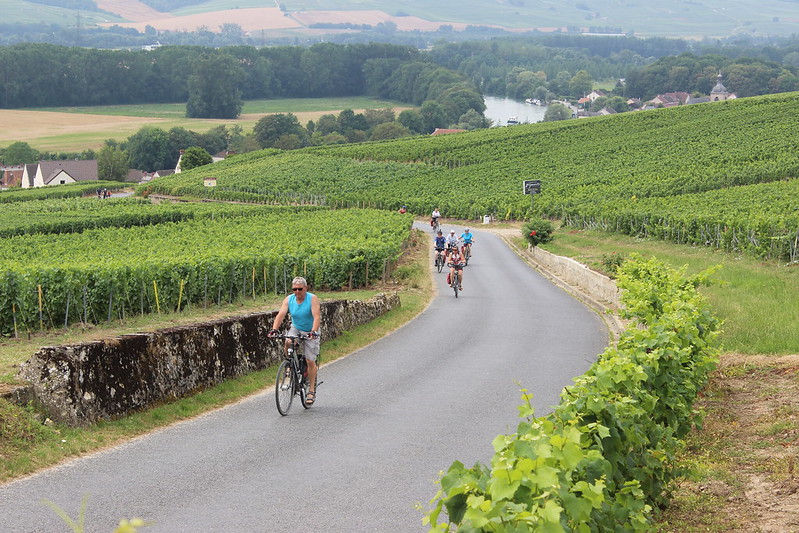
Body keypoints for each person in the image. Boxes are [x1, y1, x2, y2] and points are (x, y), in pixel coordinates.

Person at [268, 277, 321, 405]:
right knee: (287, 341)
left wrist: (313, 331)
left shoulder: (312, 299)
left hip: (310, 330)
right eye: (294, 289)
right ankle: (289, 366)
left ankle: (311, 390)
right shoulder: (289, 299)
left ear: (305, 288)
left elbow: (316, 316)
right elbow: (281, 315)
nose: (297, 291)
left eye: (300, 289)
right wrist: (274, 329)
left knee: (310, 360)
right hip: (296, 328)